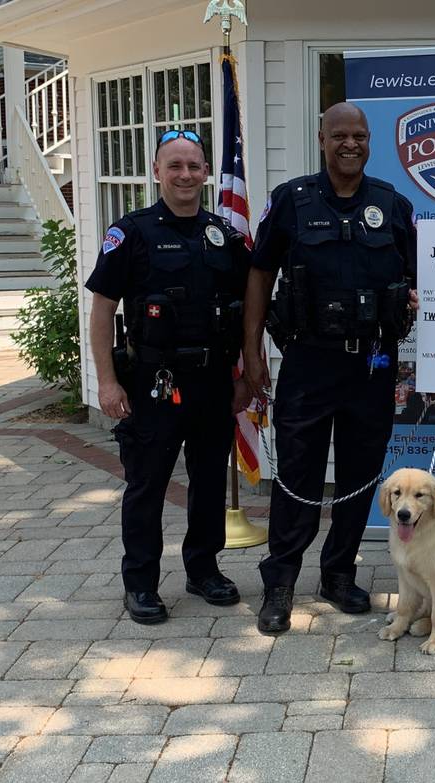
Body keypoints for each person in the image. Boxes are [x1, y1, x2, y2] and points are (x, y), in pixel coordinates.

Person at [243, 102, 417, 635]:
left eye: (359, 136)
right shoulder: (291, 201)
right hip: (308, 362)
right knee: (297, 475)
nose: (350, 144)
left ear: (370, 142)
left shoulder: (393, 205)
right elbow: (259, 275)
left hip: (371, 364)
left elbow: (419, 280)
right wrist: (251, 352)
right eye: (339, 135)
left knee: (362, 477)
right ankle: (280, 583)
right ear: (321, 138)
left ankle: (338, 574)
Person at [86, 128, 253, 625]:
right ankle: (140, 584)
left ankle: (203, 570)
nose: (185, 175)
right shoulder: (131, 232)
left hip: (212, 382)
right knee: (147, 485)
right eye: (174, 166)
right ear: (157, 172)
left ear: (206, 173)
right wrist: (107, 382)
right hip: (152, 383)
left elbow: (248, 310)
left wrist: (245, 376)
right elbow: (101, 311)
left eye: (194, 166)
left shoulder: (225, 235)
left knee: (207, 483)